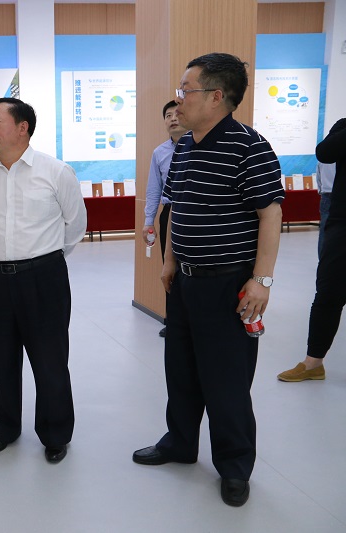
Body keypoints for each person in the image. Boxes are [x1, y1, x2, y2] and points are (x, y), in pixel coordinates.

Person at [131, 53, 284, 507]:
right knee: (180, 369)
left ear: (217, 96)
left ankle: (234, 465)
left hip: (227, 285)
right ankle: (180, 442)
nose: (178, 100)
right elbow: (176, 208)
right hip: (185, 282)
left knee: (226, 380)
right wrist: (170, 261)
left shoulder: (249, 147)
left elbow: (270, 214)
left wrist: (262, 280)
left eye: (186, 90)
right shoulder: (184, 147)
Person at [0, 97, 87, 464]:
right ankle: (5, 428)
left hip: (44, 278)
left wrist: (44, 259)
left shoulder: (55, 172)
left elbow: (76, 225)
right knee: (2, 358)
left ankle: (55, 434)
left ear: (22, 128)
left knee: (50, 359)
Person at [276, 119, 346, 382]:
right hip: (342, 223)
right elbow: (325, 152)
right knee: (328, 292)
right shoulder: (343, 126)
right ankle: (313, 363)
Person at [142, 100, 186, 337]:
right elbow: (153, 189)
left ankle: (191, 321)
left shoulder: (200, 147)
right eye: (168, 116)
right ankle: (173, 321)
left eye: (176, 114)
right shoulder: (160, 152)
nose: (173, 119)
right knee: (170, 268)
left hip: (193, 212)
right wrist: (148, 221)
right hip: (169, 213)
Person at [314, 161, 336, 258]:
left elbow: (318, 178)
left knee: (324, 229)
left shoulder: (321, 161)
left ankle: (322, 258)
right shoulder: (340, 159)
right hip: (339, 194)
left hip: (325, 194)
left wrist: (320, 191)